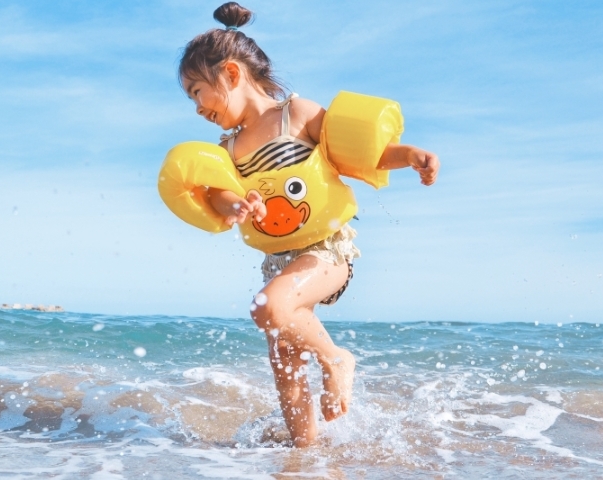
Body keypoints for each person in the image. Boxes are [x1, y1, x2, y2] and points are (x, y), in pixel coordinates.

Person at [177, 2, 439, 447]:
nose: (197, 107)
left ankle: (337, 361)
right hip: (277, 261)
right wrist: (237, 204)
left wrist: (409, 154)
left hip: (327, 250)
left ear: (232, 74)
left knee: (267, 309)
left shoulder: (295, 115)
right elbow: (220, 193)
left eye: (197, 91)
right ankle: (304, 456)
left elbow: (359, 154)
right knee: (285, 362)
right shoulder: (229, 146)